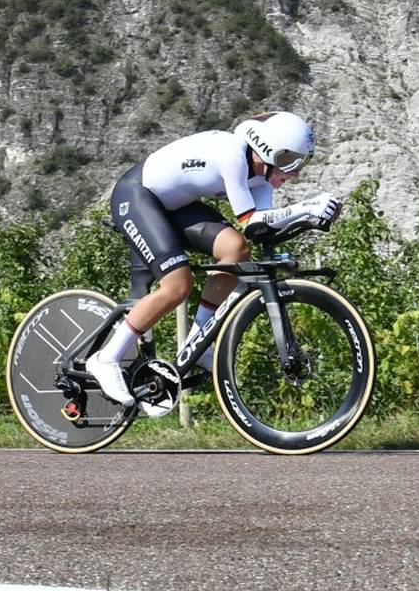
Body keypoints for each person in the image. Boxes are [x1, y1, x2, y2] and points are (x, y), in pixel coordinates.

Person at [87, 111, 343, 407]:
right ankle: (106, 358)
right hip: (136, 196)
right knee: (177, 285)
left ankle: (196, 344)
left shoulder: (261, 177)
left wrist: (312, 218)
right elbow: (251, 220)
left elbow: (262, 229)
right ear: (268, 150)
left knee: (235, 250)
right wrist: (307, 206)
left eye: (301, 163)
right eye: (290, 161)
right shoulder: (232, 155)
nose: (295, 172)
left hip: (173, 207)